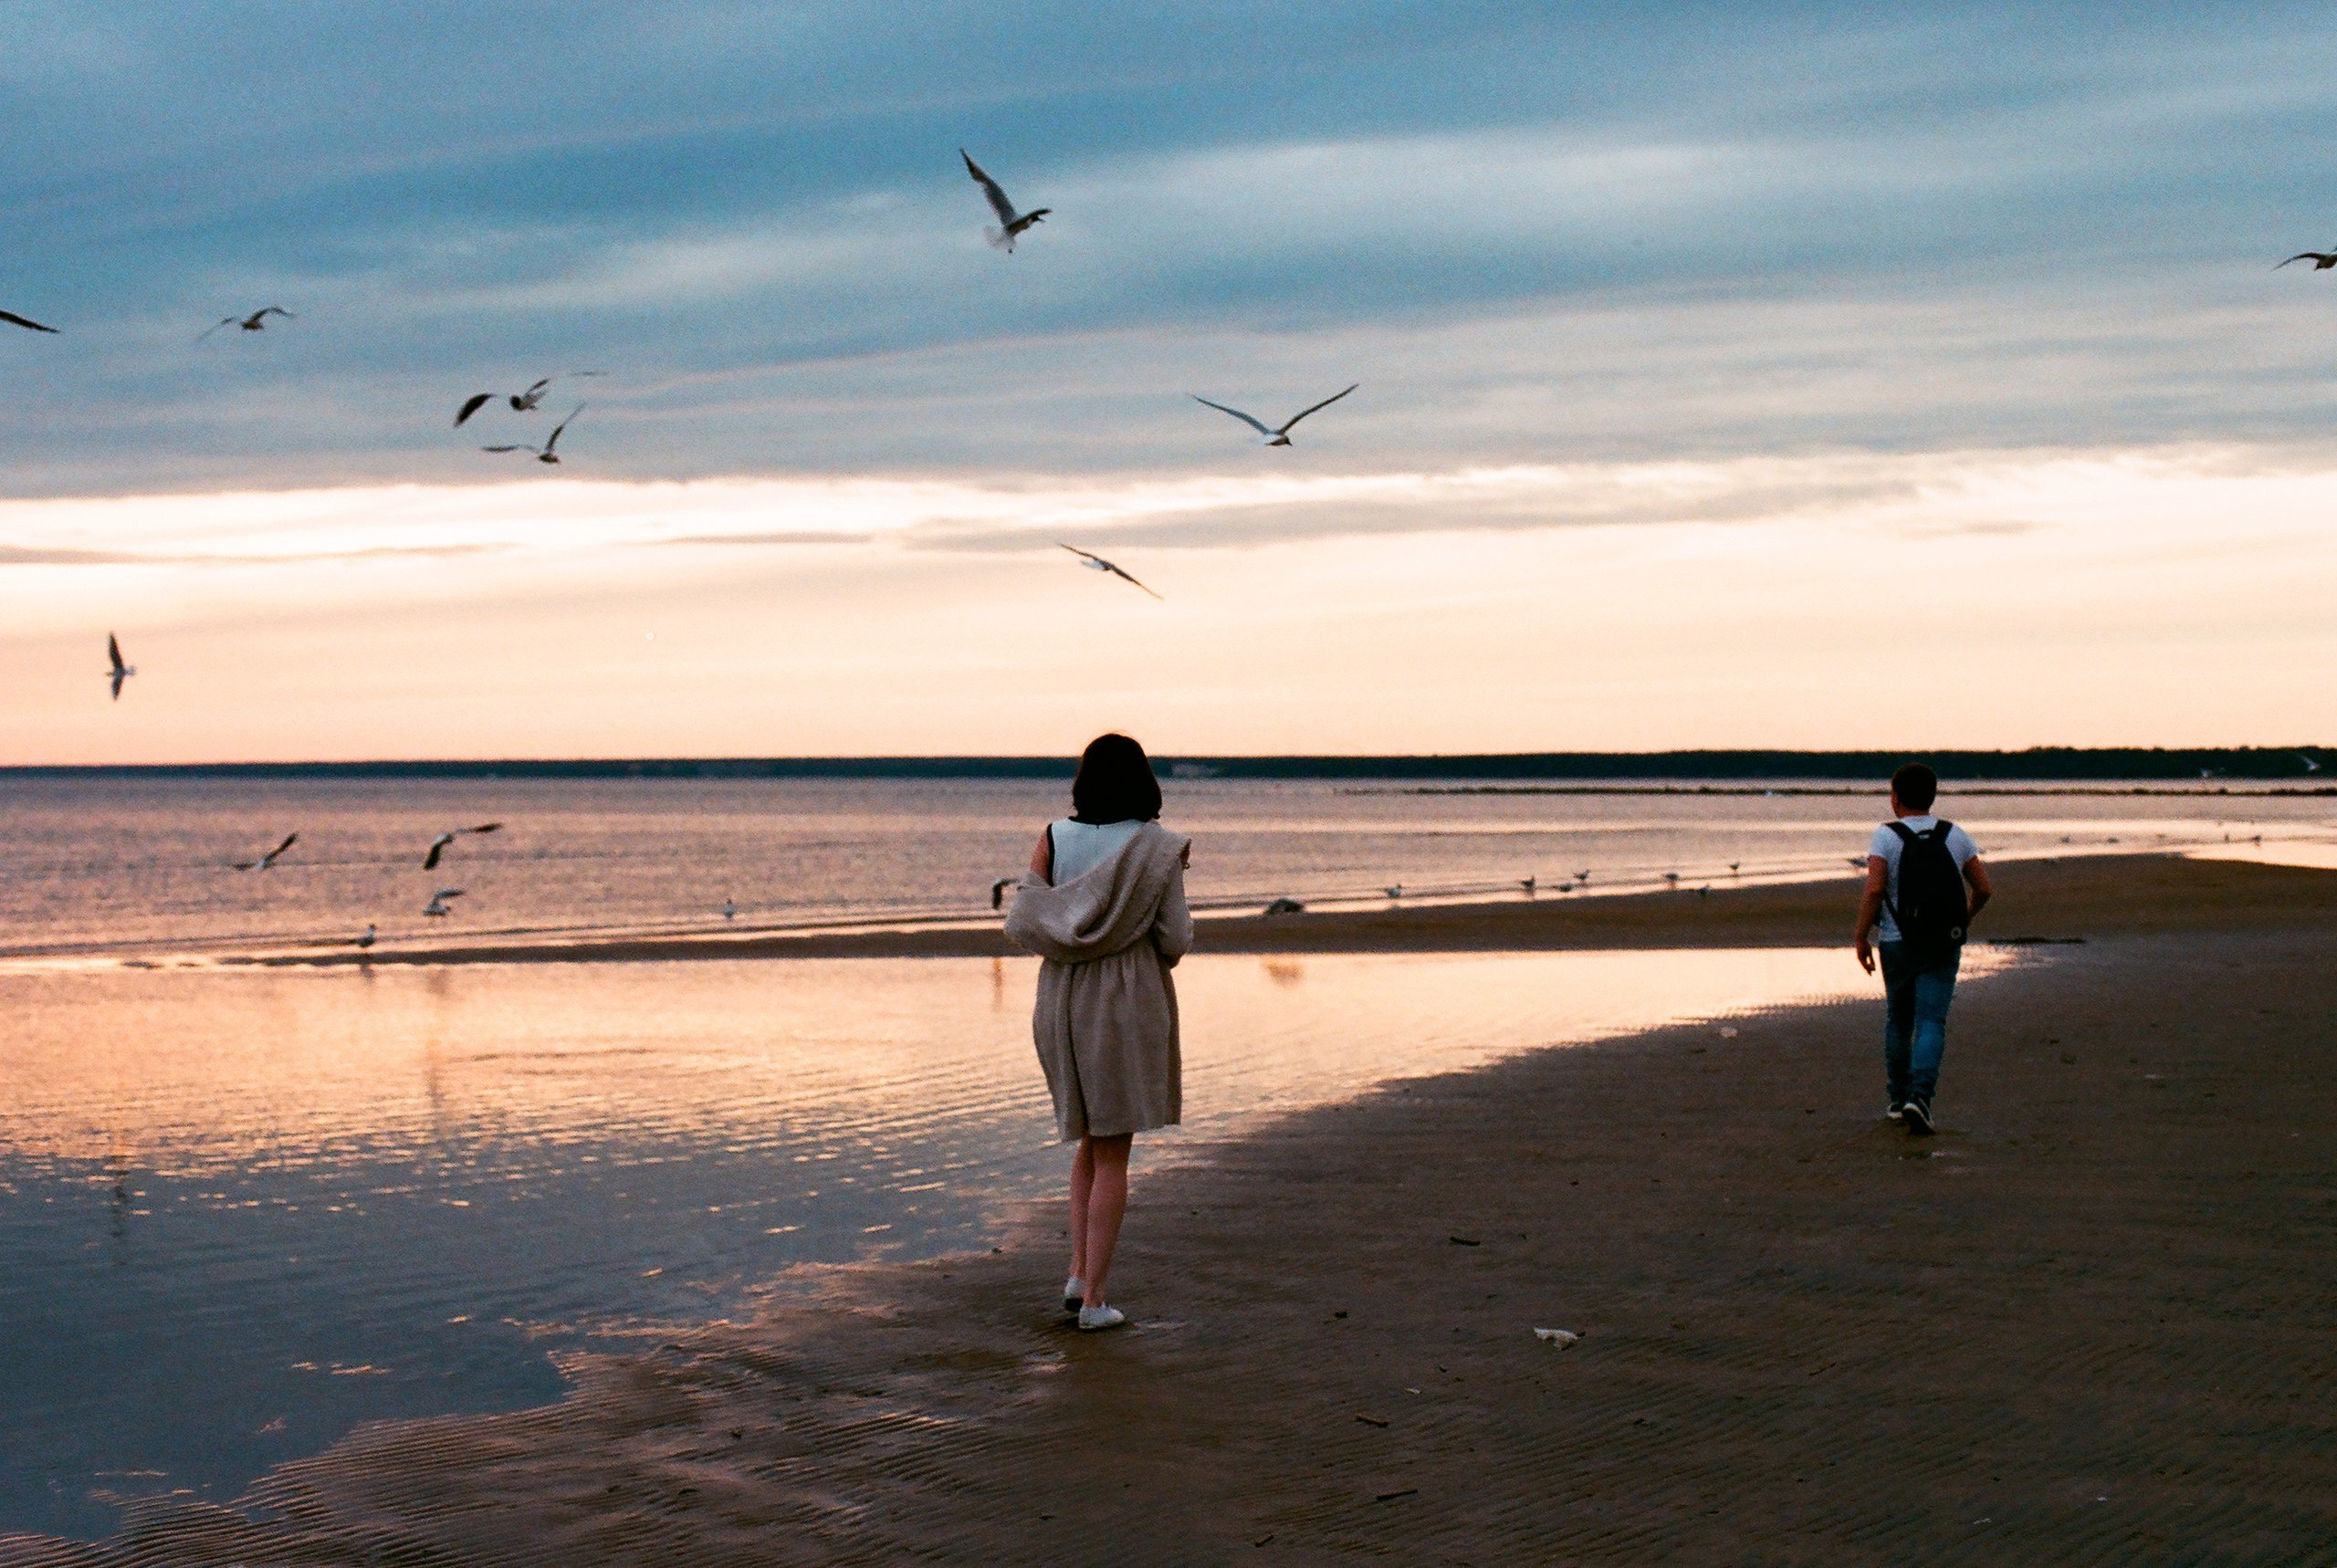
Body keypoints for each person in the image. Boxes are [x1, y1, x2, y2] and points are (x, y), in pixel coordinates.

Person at [1002, 734, 1192, 1332]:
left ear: (1084, 782)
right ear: (1143, 782)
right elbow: (1175, 937)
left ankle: (1078, 1274)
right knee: (1113, 1150)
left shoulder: (1053, 837)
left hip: (1060, 996)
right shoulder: (1156, 847)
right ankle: (1095, 1303)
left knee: (1088, 1138)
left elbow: (1026, 918)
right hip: (1124, 997)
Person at [1854, 762, 1993, 1134]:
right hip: (1941, 944)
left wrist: (1860, 935)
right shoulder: (1955, 835)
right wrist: (1962, 920)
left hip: (1897, 943)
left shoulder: (1885, 836)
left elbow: (1874, 889)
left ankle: (1898, 1101)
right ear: (1932, 797)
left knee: (1899, 1020)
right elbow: (1984, 888)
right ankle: (1921, 1098)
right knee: (1931, 1021)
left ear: (1895, 797)